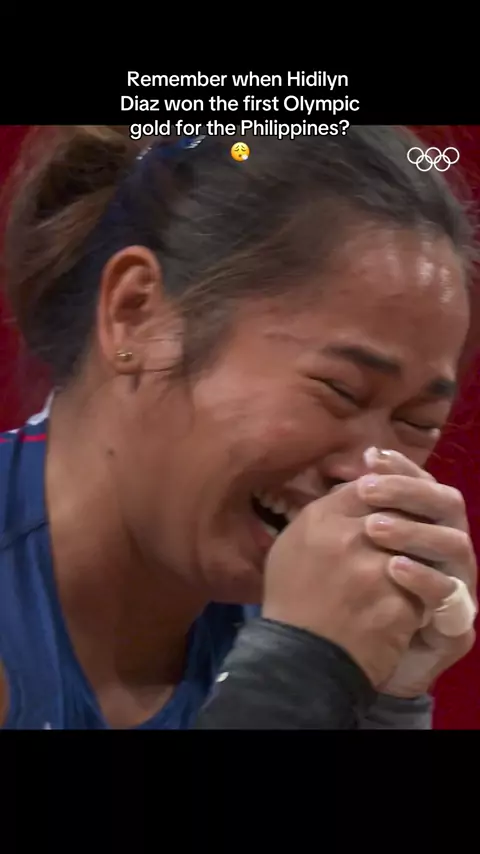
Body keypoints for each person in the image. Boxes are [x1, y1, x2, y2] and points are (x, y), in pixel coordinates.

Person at [0, 126, 476, 730]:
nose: (365, 476)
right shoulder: (303, 648)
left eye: (417, 423)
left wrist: (384, 701)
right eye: (341, 390)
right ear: (137, 313)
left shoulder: (302, 623)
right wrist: (298, 676)